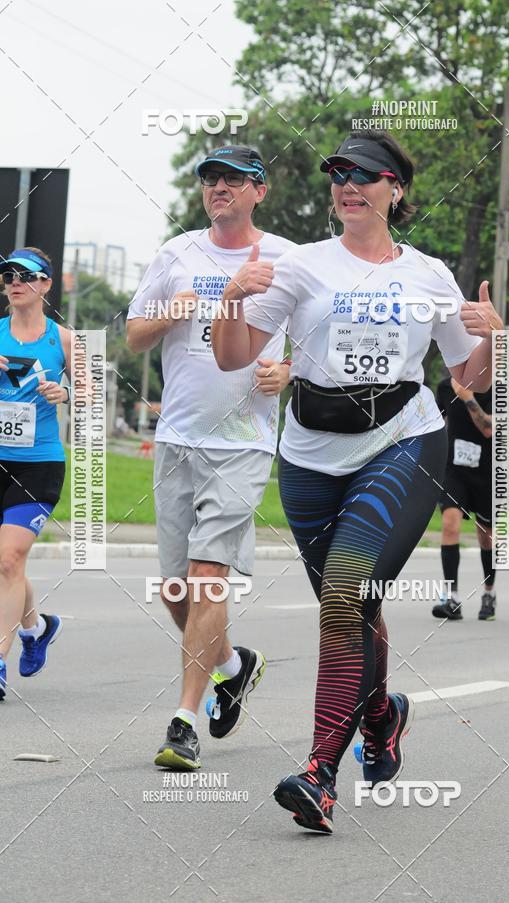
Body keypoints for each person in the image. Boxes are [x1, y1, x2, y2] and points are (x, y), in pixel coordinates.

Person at [212, 129, 503, 833]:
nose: (348, 183)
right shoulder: (299, 266)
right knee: (354, 608)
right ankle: (382, 712)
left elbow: (471, 378)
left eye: (365, 173)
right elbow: (232, 357)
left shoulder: (430, 274)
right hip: (310, 455)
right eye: (338, 170)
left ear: (394, 189)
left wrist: (495, 334)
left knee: (343, 596)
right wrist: (229, 297)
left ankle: (319, 773)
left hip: (402, 443)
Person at [126, 145, 295, 769]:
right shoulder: (176, 253)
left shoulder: (283, 258)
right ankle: (233, 664)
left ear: (259, 190)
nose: (218, 188)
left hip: (244, 441)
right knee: (175, 587)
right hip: (177, 436)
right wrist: (170, 310)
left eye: (232, 179)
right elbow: (135, 332)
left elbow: (316, 331)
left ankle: (183, 722)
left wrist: (290, 366)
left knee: (205, 580)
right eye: (210, 180)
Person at [0, 247, 70, 701]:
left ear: (45, 284)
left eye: (26, 274)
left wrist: (64, 392)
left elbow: (91, 403)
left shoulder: (65, 341)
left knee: (7, 560)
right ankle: (38, 627)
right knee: (8, 563)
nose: (14, 280)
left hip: (39, 464)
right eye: (7, 273)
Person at [432, 375, 496, 621]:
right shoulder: (445, 386)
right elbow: (437, 421)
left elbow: (488, 428)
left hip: (487, 471)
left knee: (486, 537)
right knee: (450, 524)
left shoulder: (497, 387)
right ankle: (452, 597)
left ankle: (489, 593)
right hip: (454, 470)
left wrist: (468, 398)